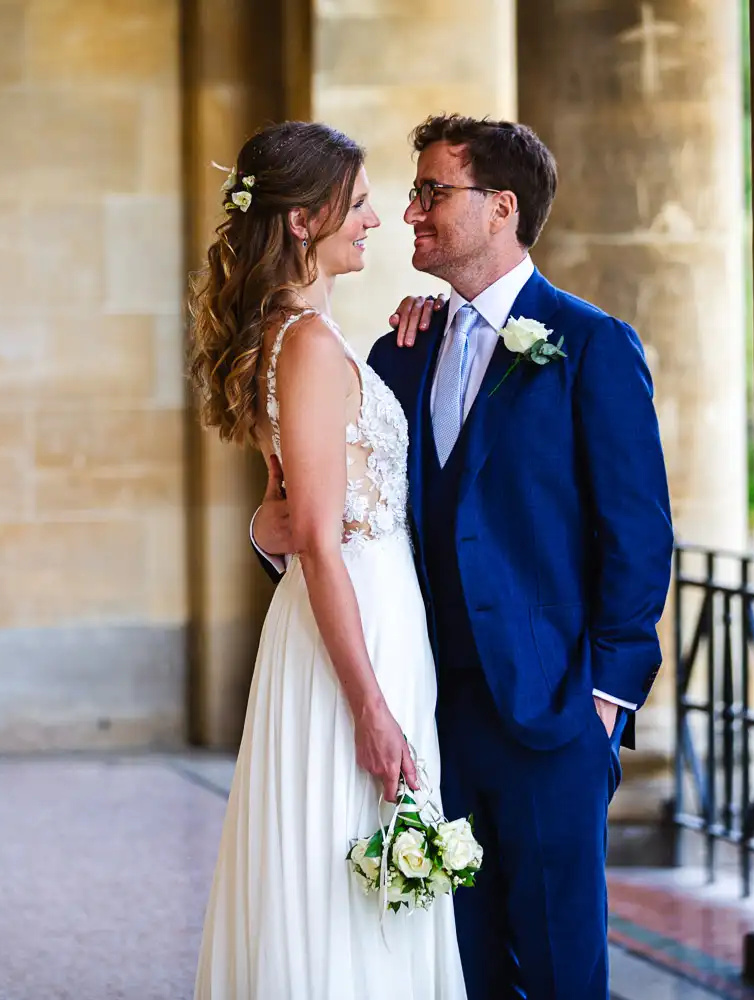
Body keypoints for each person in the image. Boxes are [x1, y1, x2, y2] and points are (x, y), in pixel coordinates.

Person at [253, 115, 674, 999]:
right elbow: (344, 518)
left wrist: (601, 705)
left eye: (433, 193)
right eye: (410, 195)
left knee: (564, 971)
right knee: (456, 968)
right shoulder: (395, 357)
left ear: (501, 208)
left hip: (552, 718)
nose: (410, 213)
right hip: (429, 715)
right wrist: (271, 542)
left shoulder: (592, 346)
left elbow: (638, 538)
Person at [189, 121, 467, 1000]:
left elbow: (300, 516)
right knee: (345, 870)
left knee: (363, 867)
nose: (377, 220)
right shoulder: (305, 344)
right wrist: (369, 707)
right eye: (358, 204)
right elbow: (313, 534)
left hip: (368, 616)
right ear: (304, 222)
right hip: (352, 639)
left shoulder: (309, 334)